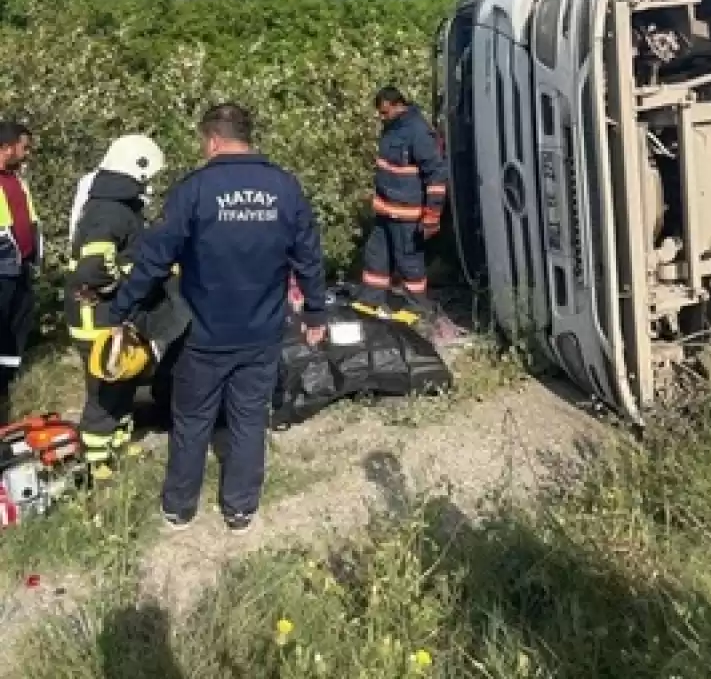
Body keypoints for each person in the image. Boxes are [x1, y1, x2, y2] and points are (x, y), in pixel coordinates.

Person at [108, 103, 327, 533]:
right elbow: (309, 256)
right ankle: (241, 509)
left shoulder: (195, 190)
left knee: (192, 420)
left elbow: (154, 257)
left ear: (212, 140)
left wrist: (122, 309)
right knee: (248, 418)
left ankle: (179, 509)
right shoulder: (284, 187)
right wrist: (315, 311)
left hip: (204, 333)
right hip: (263, 331)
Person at [64, 134, 166, 481]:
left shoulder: (120, 206)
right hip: (97, 317)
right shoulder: (108, 212)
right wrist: (126, 285)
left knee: (123, 378)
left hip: (112, 314)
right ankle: (95, 460)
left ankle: (118, 443)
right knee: (104, 387)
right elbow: (93, 269)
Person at [359, 86, 448, 312]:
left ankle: (416, 311)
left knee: (409, 265)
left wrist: (432, 216)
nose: (381, 117)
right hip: (385, 212)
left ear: (399, 106)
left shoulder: (418, 132)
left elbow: (436, 175)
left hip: (407, 215)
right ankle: (370, 304)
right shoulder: (391, 129)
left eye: (384, 112)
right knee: (375, 259)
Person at [0, 121, 41, 413]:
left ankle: (7, 382)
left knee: (18, 326)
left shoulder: (15, 179)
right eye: (24, 147)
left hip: (21, 264)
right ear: (8, 146)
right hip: (2, 267)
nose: (27, 153)